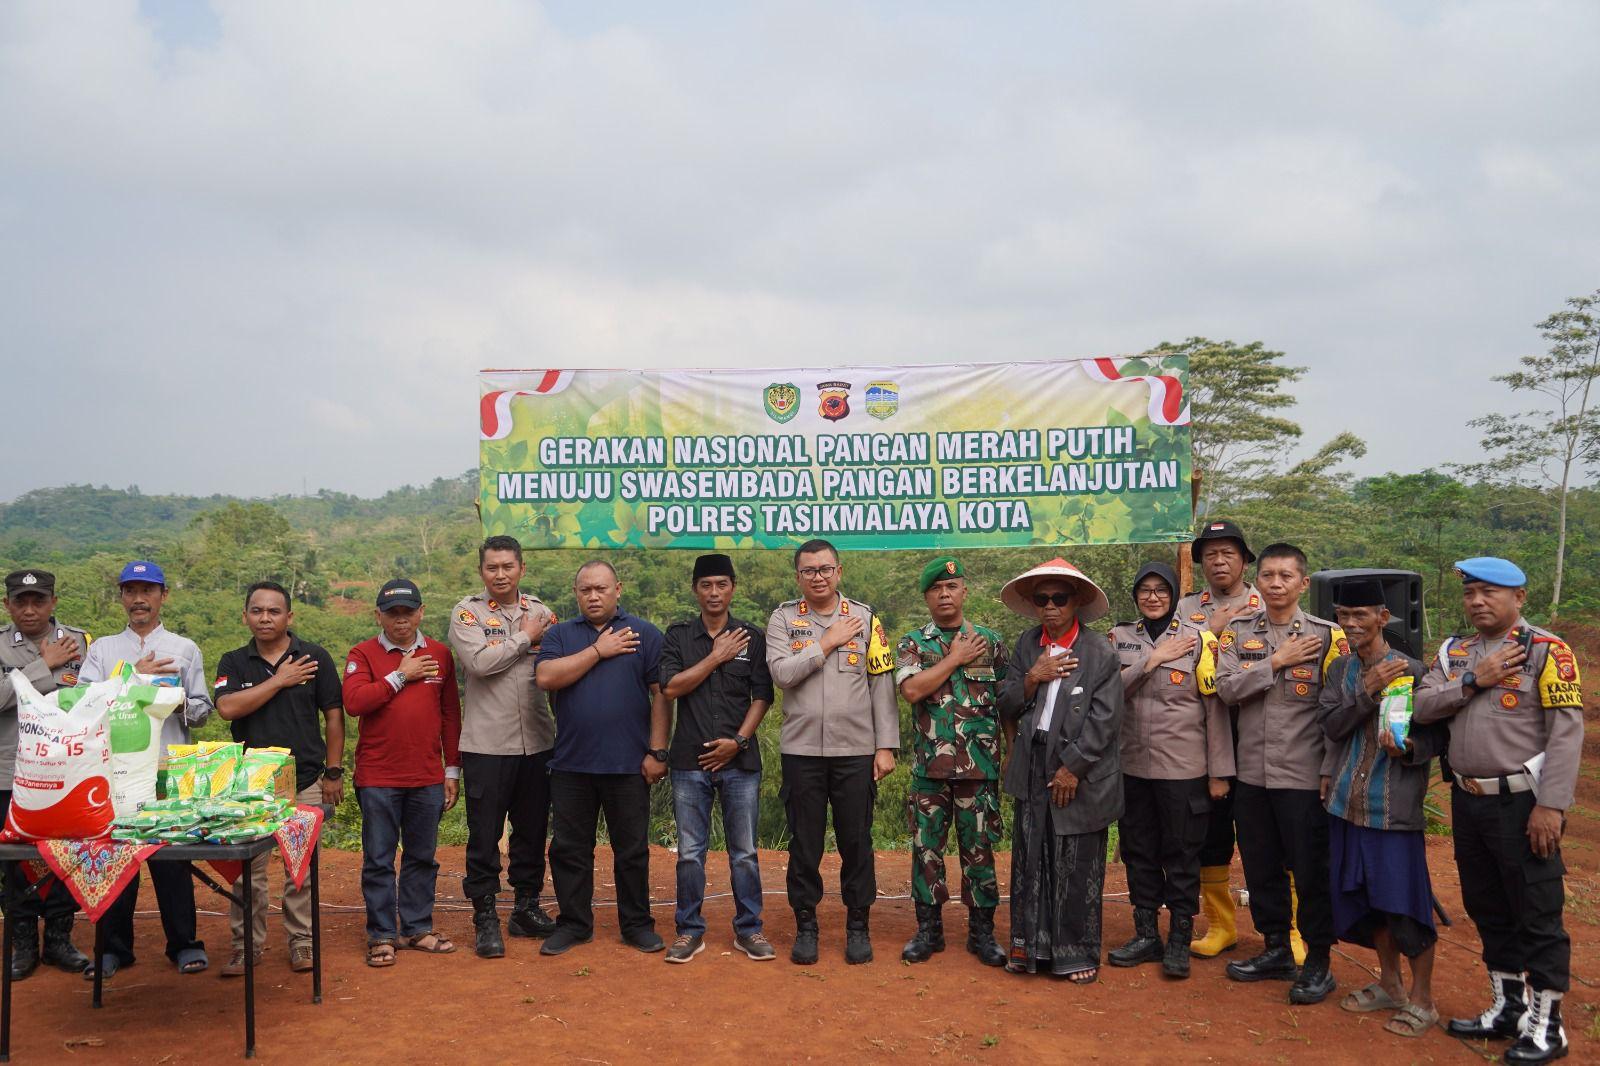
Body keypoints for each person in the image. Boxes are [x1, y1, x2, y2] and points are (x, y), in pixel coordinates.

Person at [1413, 557, 1584, 1063]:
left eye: (1489, 592)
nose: (1477, 602)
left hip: (1524, 804)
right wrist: (1473, 681)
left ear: (1520, 598)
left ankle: (1547, 1026)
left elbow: (1567, 735)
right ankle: (1508, 1008)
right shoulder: (1455, 652)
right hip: (1468, 800)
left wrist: (1551, 806)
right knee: (1487, 906)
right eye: (1471, 594)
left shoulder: (1547, 652)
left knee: (1536, 911)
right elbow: (1422, 707)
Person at [1215, 543, 1346, 1005]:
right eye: (1268, 575)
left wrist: (1330, 770)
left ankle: (1318, 961)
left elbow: (1338, 712)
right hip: (1252, 775)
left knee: (1311, 871)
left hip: (1303, 777)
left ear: (1303, 583)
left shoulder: (1329, 637)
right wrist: (1273, 662)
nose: (1275, 584)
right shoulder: (1236, 632)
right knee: (1260, 866)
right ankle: (1275, 948)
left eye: (1285, 576)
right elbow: (1227, 689)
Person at [1319, 577, 1446, 1039]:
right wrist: (1368, 689)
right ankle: (1389, 984)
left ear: (1382, 618)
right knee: (1366, 902)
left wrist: (1410, 745)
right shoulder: (1341, 671)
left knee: (1405, 906)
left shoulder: (1414, 670)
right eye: (1344, 616)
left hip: (1392, 807)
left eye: (1361, 616)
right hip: (1346, 806)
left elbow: (1437, 734)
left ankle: (1424, 999)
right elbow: (1331, 725)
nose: (1351, 624)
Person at [765, 539, 899, 965]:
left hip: (856, 750)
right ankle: (807, 925)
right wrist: (826, 644)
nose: (817, 577)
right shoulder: (783, 618)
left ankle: (857, 925)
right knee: (805, 843)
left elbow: (882, 684)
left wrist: (885, 746)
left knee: (856, 841)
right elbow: (782, 673)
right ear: (798, 577)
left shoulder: (866, 618)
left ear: (839, 571)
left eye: (825, 569)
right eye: (809, 571)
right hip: (802, 750)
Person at [82, 561, 214, 978]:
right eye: (130, 590)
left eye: (148, 591)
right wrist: (134, 678)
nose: (139, 599)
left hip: (167, 767)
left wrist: (182, 705)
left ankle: (184, 944)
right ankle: (113, 948)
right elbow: (84, 704)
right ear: (121, 596)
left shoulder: (184, 648)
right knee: (116, 857)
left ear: (162, 597)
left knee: (171, 858)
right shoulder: (102, 649)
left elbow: (203, 709)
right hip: (115, 771)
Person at [996, 558, 1124, 983]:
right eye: (1042, 599)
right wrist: (1033, 677)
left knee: (1076, 859)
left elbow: (1106, 720)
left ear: (1077, 602)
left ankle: (1076, 952)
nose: (1050, 607)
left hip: (1076, 768)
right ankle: (1030, 949)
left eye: (1060, 598)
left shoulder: (1098, 652)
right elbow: (1008, 703)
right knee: (1032, 856)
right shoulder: (1027, 645)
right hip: (1032, 763)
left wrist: (1073, 768)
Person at [1107, 562, 1233, 979]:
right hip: (1133, 767)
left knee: (1182, 854)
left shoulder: (1199, 641)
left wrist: (1219, 773)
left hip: (1183, 769)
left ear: (1175, 595)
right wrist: (1151, 660)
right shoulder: (1120, 638)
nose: (1153, 597)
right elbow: (1107, 695)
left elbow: (1215, 710)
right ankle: (1146, 936)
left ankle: (1179, 938)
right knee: (1139, 851)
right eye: (1144, 590)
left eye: (1162, 589)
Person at [535, 561, 667, 956]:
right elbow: (546, 678)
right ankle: (574, 924)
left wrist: (657, 751)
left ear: (618, 589)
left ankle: (636, 925)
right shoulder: (560, 634)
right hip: (572, 764)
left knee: (632, 850)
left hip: (629, 764)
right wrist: (598, 650)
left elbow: (661, 694)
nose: (593, 596)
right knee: (569, 849)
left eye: (601, 589)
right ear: (576, 593)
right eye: (585, 590)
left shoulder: (643, 633)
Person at [214, 581, 345, 976]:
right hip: (251, 784)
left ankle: (302, 942)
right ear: (245, 616)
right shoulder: (234, 662)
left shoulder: (315, 657)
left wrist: (333, 772)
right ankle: (245, 946)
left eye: (274, 611)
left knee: (299, 866)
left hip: (304, 778)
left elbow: (334, 716)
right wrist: (279, 681)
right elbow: (227, 708)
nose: (265, 618)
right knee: (248, 869)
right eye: (257, 611)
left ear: (290, 616)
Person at [659, 554, 775, 963]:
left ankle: (749, 929)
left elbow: (763, 696)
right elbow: (671, 687)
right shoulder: (678, 637)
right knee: (691, 851)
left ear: (733, 587)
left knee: (743, 851)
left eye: (721, 584)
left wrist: (738, 742)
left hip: (740, 763)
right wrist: (715, 657)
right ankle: (689, 930)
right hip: (689, 762)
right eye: (706, 585)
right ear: (695, 589)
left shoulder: (752, 637)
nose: (714, 592)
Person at [895, 556, 1009, 968]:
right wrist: (953, 659)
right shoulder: (913, 643)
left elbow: (1008, 703)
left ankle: (983, 933)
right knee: (927, 851)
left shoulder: (990, 641)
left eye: (952, 586)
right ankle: (929, 931)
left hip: (980, 770)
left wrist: (1010, 754)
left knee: (979, 851)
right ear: (927, 596)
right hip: (931, 770)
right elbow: (910, 691)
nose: (945, 594)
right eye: (936, 589)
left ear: (964, 591)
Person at [343, 579, 463, 968]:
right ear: (378, 615)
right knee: (378, 858)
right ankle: (381, 934)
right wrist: (400, 675)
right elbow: (355, 702)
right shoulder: (362, 654)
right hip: (378, 776)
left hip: (427, 775)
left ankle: (416, 927)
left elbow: (450, 715)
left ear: (421, 612)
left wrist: (452, 770)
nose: (401, 620)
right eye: (392, 613)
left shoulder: (441, 655)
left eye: (408, 612)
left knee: (422, 856)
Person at [449, 536, 558, 958]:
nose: (500, 574)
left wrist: (517, 643)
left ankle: (525, 908)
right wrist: (523, 641)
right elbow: (478, 663)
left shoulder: (542, 612)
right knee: (484, 835)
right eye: (492, 567)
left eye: (507, 566)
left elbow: (555, 662)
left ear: (521, 568)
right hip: (487, 745)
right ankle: (485, 917)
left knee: (532, 832)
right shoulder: (467, 612)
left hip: (538, 742)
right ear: (482, 571)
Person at [1174, 519, 1262, 960]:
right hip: (1204, 740)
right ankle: (1221, 926)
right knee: (1210, 836)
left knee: (1267, 837)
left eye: (1228, 552)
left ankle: (1286, 930)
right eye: (1210, 554)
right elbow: (1175, 658)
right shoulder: (1186, 607)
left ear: (1245, 559)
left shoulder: (1268, 602)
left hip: (1261, 739)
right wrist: (1211, 630)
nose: (1219, 560)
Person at [0, 569, 91, 980]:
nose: (30, 609)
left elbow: (91, 695)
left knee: (64, 857)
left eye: (39, 600)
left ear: (53, 601)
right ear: (8, 606)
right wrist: (42, 665)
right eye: (21, 601)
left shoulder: (79, 642)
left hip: (66, 772)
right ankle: (22, 945)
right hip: (11, 771)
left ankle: (58, 939)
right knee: (16, 863)